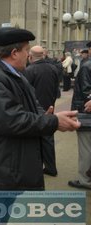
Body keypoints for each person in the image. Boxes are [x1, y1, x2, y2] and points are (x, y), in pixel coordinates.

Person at [0, 27, 80, 192]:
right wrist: (53, 121)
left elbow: (30, 105)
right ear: (14, 53)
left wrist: (45, 116)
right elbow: (11, 120)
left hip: (4, 168)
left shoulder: (13, 74)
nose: (28, 55)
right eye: (26, 50)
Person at [25, 45, 60, 176]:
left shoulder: (29, 70)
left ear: (30, 56)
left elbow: (26, 92)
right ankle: (51, 166)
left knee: (35, 138)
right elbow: (57, 88)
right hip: (50, 106)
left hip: (35, 108)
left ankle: (37, 167)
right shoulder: (53, 68)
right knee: (48, 137)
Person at [69, 41, 91, 190]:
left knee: (86, 148)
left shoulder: (87, 66)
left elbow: (85, 91)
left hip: (86, 113)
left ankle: (85, 180)